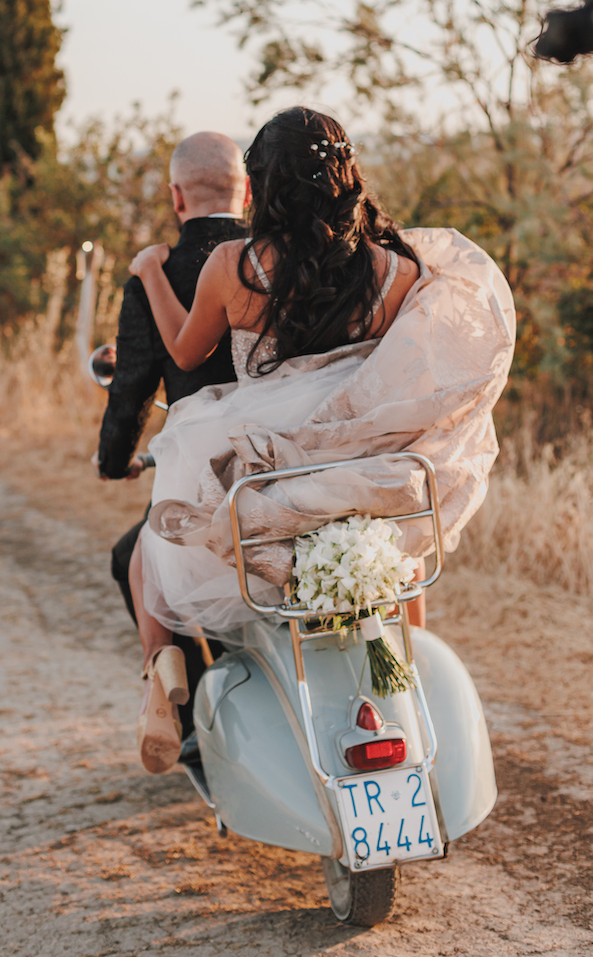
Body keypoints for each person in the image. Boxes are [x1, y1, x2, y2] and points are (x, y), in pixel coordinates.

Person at [127, 106, 515, 774]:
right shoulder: (401, 272)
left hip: (270, 463)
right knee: (396, 541)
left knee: (151, 551)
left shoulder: (232, 265)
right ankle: (405, 667)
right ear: (347, 177)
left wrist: (150, 273)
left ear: (263, 187)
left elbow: (187, 356)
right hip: (364, 464)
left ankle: (161, 671)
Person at [93, 131, 249, 740]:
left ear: (176, 195)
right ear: (248, 191)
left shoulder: (158, 273)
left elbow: (129, 387)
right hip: (290, 467)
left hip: (203, 481)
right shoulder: (279, 261)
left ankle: (183, 721)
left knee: (136, 554)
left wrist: (113, 461)